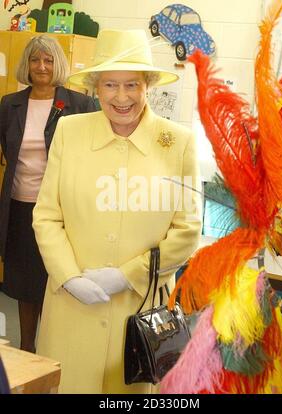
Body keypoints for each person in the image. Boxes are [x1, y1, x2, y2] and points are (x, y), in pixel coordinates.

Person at [32, 29, 201, 393]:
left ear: (148, 86)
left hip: (140, 315)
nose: (121, 97)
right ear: (95, 87)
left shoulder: (179, 144)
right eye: (110, 85)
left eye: (132, 85)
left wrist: (127, 276)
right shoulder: (69, 131)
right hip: (71, 309)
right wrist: (68, 276)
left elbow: (188, 230)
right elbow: (47, 215)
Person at [0, 35, 96, 353]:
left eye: (49, 60)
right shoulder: (10, 105)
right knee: (25, 286)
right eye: (35, 59)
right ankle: (27, 348)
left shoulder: (79, 104)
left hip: (61, 212)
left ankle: (55, 351)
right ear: (26, 64)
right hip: (20, 208)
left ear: (59, 64)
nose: (42, 66)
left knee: (56, 280)